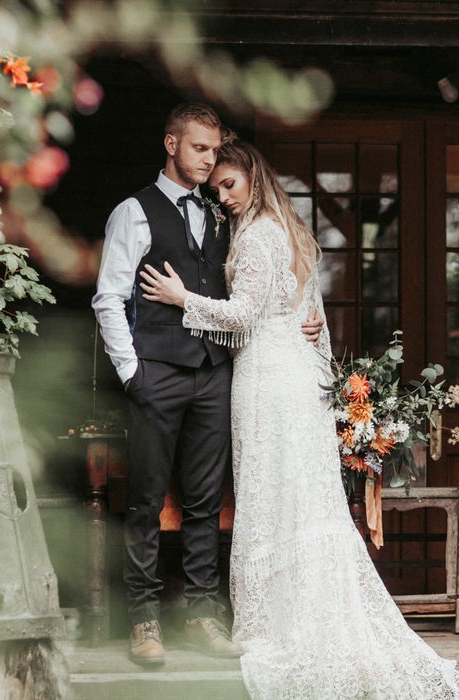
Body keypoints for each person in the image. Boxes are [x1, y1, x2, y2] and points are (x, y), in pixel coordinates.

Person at [141, 139, 459, 698]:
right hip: (295, 373)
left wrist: (180, 297)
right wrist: (316, 360)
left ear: (254, 177)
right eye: (215, 189)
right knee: (299, 499)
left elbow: (242, 316)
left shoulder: (261, 234)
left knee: (271, 496)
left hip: (267, 376)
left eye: (229, 185)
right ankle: (306, 611)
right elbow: (312, 317)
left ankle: (281, 624)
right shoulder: (288, 231)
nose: (223, 198)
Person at [92, 104, 323, 667]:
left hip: (216, 375)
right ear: (171, 143)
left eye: (215, 152)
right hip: (158, 372)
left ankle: (201, 614)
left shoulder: (227, 214)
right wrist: (132, 373)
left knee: (204, 504)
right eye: (199, 149)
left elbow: (267, 289)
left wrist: (302, 321)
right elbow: (109, 297)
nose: (209, 161)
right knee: (146, 501)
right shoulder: (135, 212)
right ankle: (145, 620)